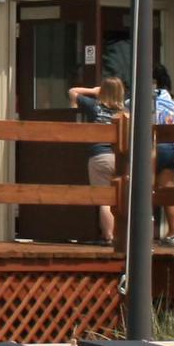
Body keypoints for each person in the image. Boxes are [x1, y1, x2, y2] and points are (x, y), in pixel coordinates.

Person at [71, 75, 126, 244]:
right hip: (121, 158)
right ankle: (123, 236)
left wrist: (93, 91)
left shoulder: (95, 106)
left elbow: (72, 92)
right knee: (121, 198)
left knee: (104, 200)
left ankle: (109, 236)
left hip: (100, 156)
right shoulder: (126, 112)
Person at [151, 62, 174, 244]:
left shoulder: (146, 96)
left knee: (144, 189)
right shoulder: (169, 98)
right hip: (173, 146)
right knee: (168, 190)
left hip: (154, 145)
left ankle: (140, 234)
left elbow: (123, 108)